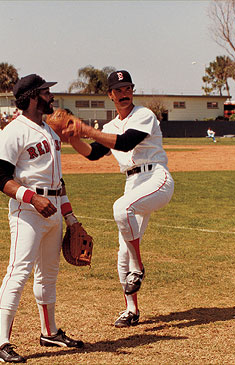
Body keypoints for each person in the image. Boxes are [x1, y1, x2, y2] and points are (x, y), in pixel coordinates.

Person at [65, 70, 174, 327]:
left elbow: (125, 143)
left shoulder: (144, 115)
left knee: (120, 208)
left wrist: (87, 130)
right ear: (110, 95)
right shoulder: (110, 127)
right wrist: (71, 137)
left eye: (128, 88)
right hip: (133, 182)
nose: (124, 93)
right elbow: (92, 154)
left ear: (132, 91)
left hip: (156, 177)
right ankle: (131, 310)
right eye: (119, 89)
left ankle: (138, 266)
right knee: (121, 253)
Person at [0, 74, 84, 363]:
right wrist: (31, 198)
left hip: (54, 207)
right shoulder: (13, 132)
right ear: (33, 96)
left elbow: (59, 182)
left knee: (49, 275)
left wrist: (71, 219)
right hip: (28, 213)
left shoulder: (50, 131)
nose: (51, 97)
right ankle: (1, 343)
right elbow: (0, 178)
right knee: (18, 273)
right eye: (46, 92)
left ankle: (49, 331)